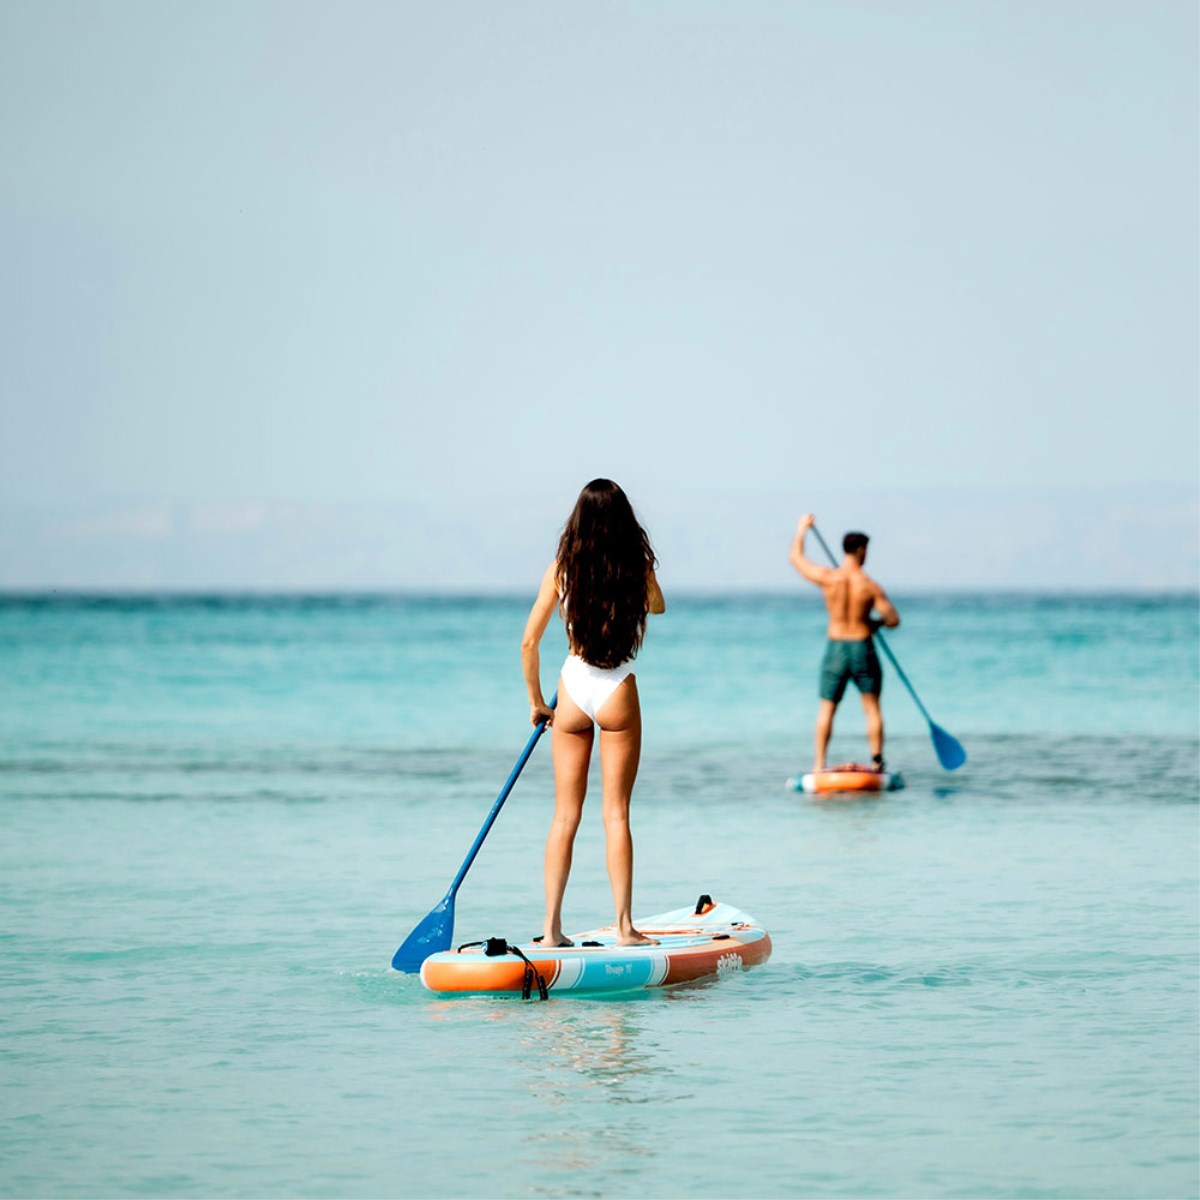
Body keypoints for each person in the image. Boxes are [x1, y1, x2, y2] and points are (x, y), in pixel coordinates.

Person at [521, 479, 666, 948]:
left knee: (565, 816)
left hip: (572, 690)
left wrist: (537, 703)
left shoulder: (560, 570)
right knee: (616, 814)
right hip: (616, 687)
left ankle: (551, 930)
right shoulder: (633, 567)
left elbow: (529, 643)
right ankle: (624, 928)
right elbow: (658, 607)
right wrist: (643, 571)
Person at [789, 513, 900, 772]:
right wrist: (875, 624)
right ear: (861, 550)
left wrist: (802, 529)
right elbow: (893, 619)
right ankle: (877, 762)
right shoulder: (869, 586)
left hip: (836, 647)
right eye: (867, 550)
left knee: (827, 708)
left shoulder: (829, 578)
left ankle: (819, 764)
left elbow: (796, 559)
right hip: (861, 646)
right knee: (871, 708)